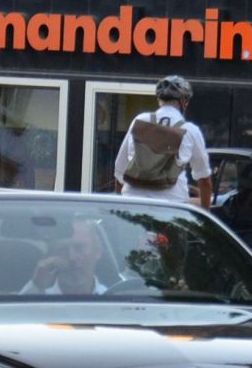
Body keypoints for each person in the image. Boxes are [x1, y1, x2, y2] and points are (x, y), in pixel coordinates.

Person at [113, 75, 212, 207]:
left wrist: (120, 205)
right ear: (184, 102)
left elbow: (120, 168)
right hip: (172, 206)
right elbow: (204, 179)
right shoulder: (190, 130)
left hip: (134, 202)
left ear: (159, 100)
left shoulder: (140, 120)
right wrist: (206, 215)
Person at [21, 219, 108, 296]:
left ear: (98, 251)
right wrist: (36, 285)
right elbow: (17, 313)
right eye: (63, 249)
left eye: (79, 247)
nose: (72, 257)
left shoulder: (116, 300)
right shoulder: (37, 299)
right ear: (52, 254)